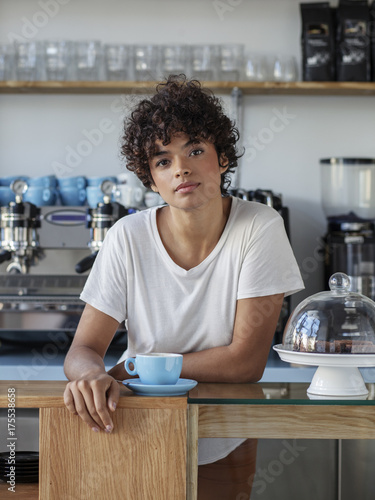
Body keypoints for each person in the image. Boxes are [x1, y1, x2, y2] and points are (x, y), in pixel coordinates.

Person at [63, 74, 304, 499]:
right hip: (131, 423)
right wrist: (90, 377)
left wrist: (139, 366)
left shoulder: (260, 227)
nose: (181, 169)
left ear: (223, 158)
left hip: (225, 431)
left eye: (195, 150)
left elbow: (245, 363)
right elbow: (83, 351)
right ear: (151, 178)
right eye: (162, 161)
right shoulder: (127, 236)